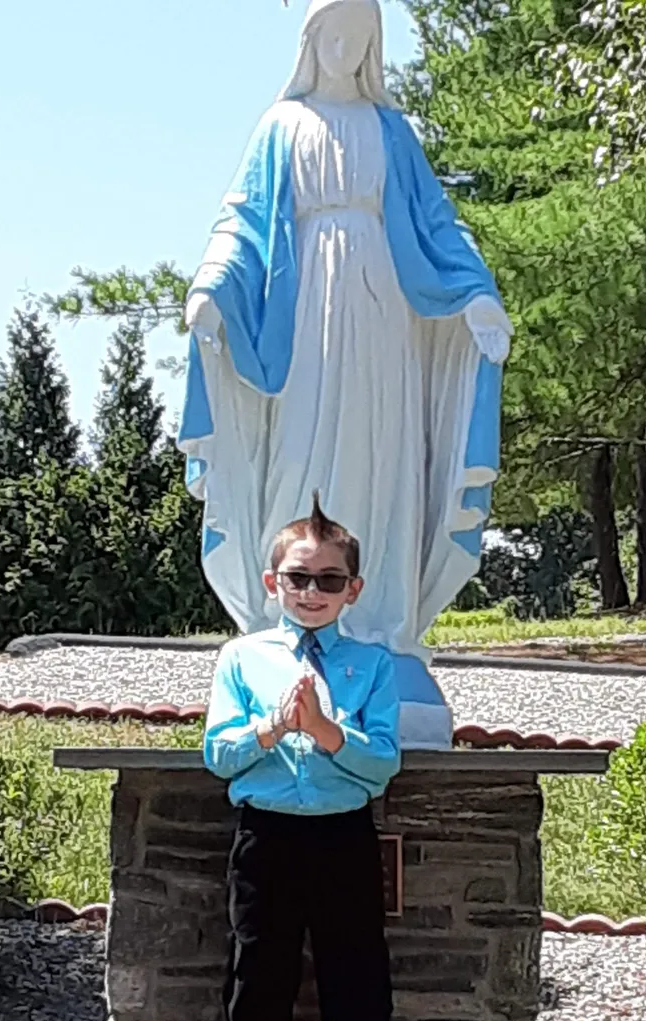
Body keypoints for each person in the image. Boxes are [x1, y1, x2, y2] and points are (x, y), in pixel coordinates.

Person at [178, 0, 513, 746]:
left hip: (385, 319)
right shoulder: (282, 126)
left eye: (360, 35)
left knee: (382, 461)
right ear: (311, 40)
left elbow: (436, 224)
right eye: (334, 33)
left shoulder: (390, 130)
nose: (345, 47)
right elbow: (242, 222)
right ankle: (290, 622)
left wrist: (477, 295)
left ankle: (381, 625)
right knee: (299, 458)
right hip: (304, 323)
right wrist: (211, 288)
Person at [204, 493, 400, 1021]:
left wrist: (324, 730)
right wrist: (273, 728)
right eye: (298, 578)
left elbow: (383, 763)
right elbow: (219, 755)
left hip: (344, 836)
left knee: (358, 982)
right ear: (273, 583)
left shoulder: (373, 665)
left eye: (329, 580)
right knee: (257, 981)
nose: (312, 592)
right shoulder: (242, 658)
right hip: (268, 838)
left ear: (352, 590)